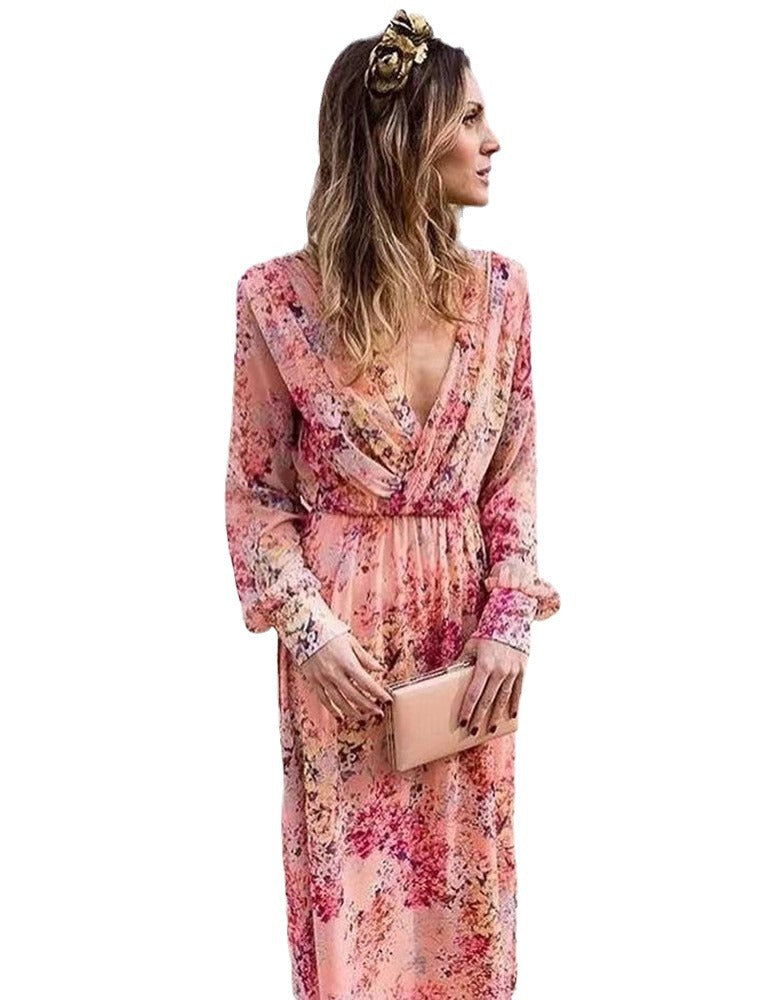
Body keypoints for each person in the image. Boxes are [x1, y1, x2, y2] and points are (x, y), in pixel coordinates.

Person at [223, 10, 560, 999]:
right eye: (469, 118)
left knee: (465, 913)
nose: (493, 141)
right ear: (404, 138)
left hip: (467, 655)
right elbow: (254, 491)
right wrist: (309, 629)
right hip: (343, 662)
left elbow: (513, 474)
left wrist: (509, 624)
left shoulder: (503, 295)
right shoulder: (277, 300)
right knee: (354, 921)